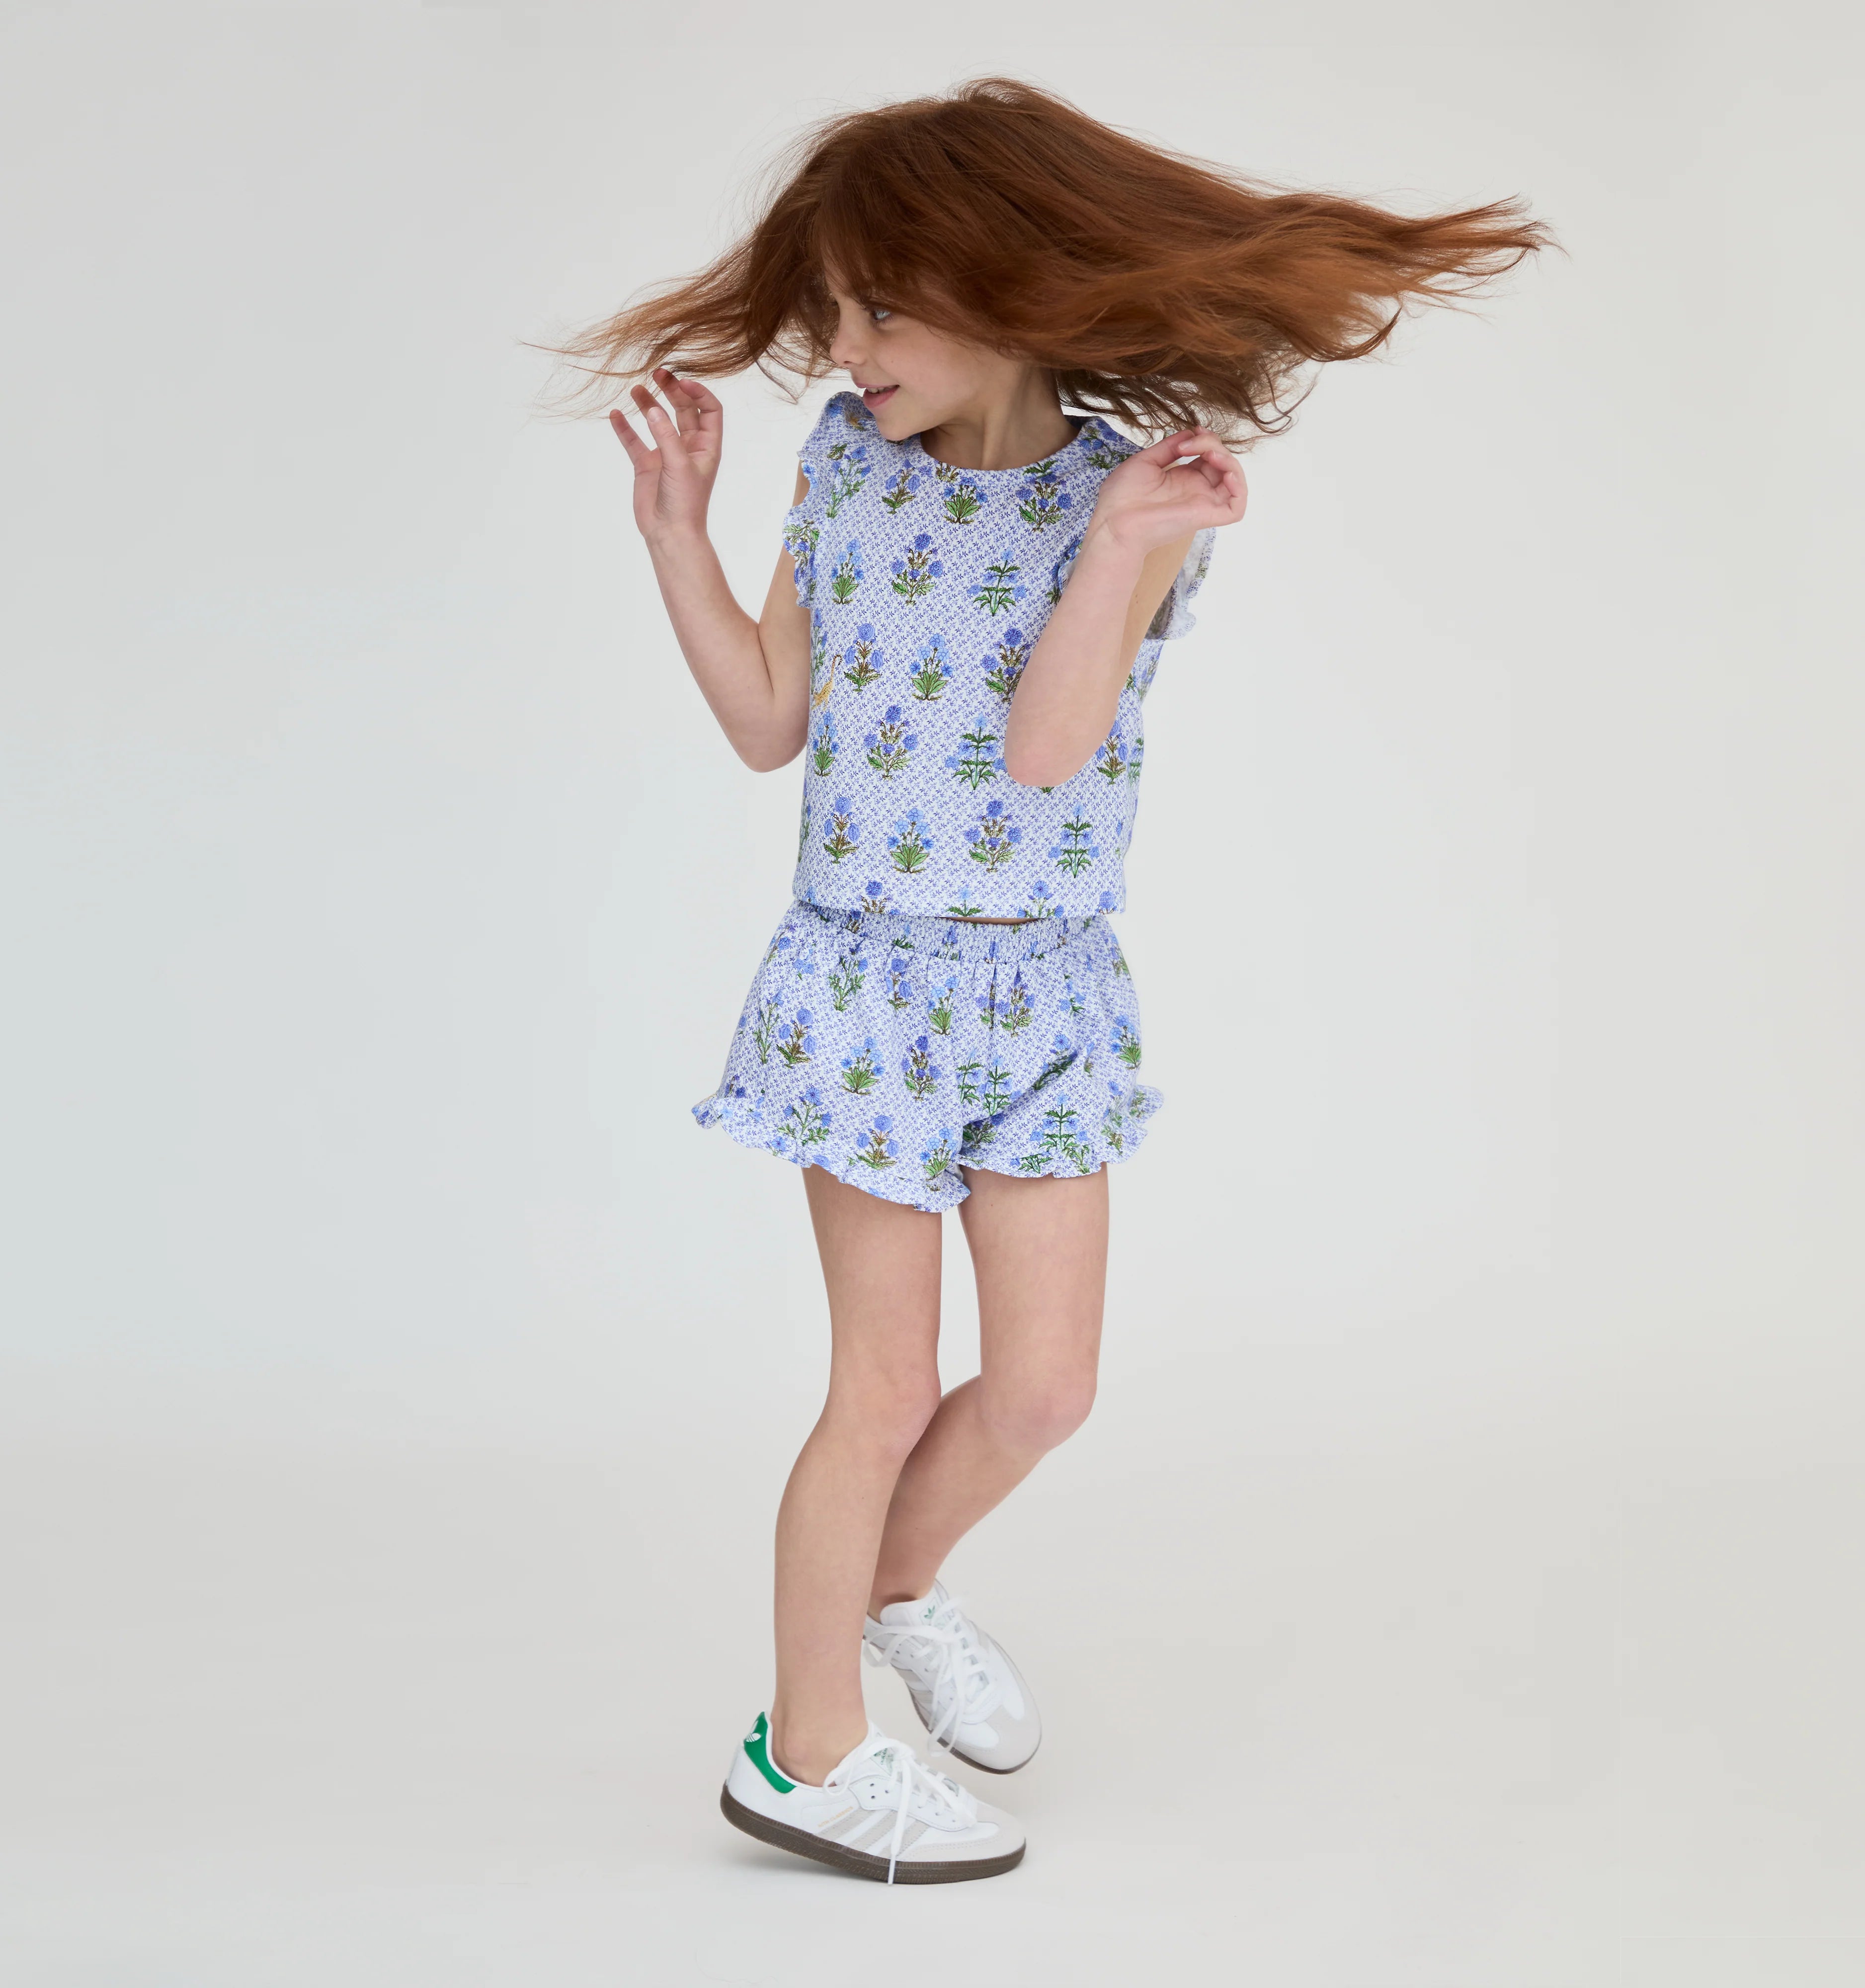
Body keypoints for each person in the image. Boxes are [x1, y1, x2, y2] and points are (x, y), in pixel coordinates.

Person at [548, 77, 1551, 1884]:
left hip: (1044, 994)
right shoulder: (841, 466)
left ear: (1006, 291)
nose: (844, 352)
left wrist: (1114, 550)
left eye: (879, 310)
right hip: (866, 983)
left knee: (1040, 1391)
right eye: (832, 311)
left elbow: (1044, 751)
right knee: (880, 1389)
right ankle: (803, 1749)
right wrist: (676, 538)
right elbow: (770, 721)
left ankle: (892, 1588)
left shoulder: (1130, 499)